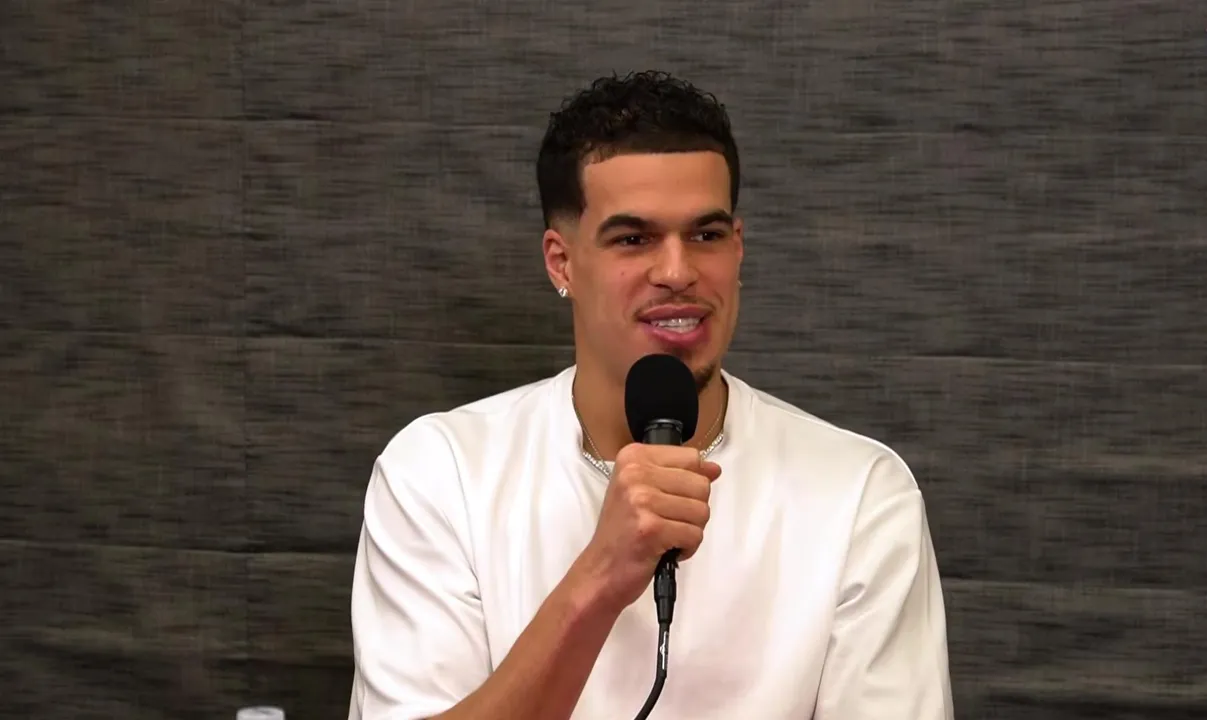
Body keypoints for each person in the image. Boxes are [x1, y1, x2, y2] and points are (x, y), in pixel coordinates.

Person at [347, 70, 953, 720]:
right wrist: (601, 576)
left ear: (738, 248)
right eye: (633, 239)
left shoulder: (860, 494)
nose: (677, 271)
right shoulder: (439, 476)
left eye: (706, 235)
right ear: (561, 262)